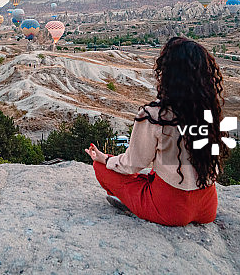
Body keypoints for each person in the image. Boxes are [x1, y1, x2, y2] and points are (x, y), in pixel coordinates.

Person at [85, 36, 225, 226]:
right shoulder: (210, 111)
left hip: (171, 209)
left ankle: (132, 204)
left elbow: (132, 164)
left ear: (167, 73)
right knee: (153, 174)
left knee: (101, 168)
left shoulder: (155, 114)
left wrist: (106, 159)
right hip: (208, 205)